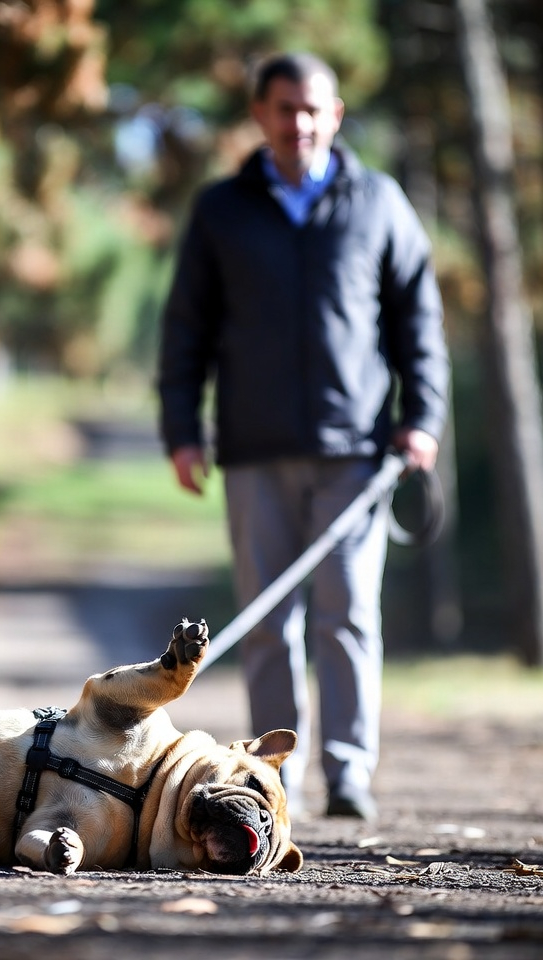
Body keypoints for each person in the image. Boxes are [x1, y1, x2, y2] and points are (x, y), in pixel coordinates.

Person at [157, 52, 449, 821]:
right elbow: (186, 327)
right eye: (285, 109)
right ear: (261, 116)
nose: (301, 124)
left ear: (337, 115)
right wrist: (182, 431)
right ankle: (270, 778)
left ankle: (349, 771)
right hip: (253, 452)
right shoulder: (222, 210)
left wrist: (423, 420)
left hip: (357, 454)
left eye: (314, 109)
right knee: (268, 622)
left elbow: (419, 321)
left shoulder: (378, 202)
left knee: (347, 613)